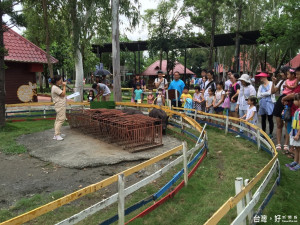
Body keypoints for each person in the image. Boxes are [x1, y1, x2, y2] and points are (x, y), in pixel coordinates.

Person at [282, 67, 300, 157]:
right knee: (291, 130)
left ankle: (295, 153)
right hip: (293, 111)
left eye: (298, 74)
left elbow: (294, 95)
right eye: (296, 74)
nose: (297, 76)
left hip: (297, 113)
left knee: (296, 131)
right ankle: (292, 150)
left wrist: (285, 98)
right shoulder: (297, 84)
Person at [272, 66, 289, 151]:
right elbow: (273, 91)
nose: (281, 74)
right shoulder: (281, 82)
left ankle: (286, 144)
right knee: (279, 124)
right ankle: (278, 143)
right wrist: (273, 83)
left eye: (282, 72)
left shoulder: (295, 82)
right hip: (280, 102)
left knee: (287, 125)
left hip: (289, 102)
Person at [256, 72, 276, 138]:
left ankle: (270, 133)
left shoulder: (271, 84)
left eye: (261, 77)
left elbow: (271, 92)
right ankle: (263, 132)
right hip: (262, 103)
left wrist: (262, 94)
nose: (260, 79)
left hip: (270, 102)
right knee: (263, 118)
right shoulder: (260, 86)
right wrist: (265, 93)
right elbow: (258, 95)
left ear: (265, 77)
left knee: (270, 118)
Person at [285, 93, 300, 171]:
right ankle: (295, 161)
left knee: (299, 148)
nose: (294, 102)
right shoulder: (297, 110)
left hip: (298, 132)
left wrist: (297, 134)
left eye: (295, 100)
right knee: (296, 148)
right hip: (294, 130)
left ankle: (299, 164)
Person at [51, 75, 67, 141]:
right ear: (57, 81)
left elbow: (62, 95)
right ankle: (57, 135)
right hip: (60, 105)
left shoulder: (55, 87)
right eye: (61, 80)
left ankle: (56, 134)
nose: (62, 81)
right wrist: (64, 86)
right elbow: (63, 94)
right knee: (61, 119)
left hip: (59, 105)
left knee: (58, 119)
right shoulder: (55, 88)